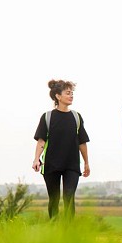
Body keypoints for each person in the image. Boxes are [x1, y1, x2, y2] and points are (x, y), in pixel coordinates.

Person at [32, 79, 90, 220]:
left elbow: (82, 142)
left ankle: (68, 232)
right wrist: (36, 159)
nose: (71, 96)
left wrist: (86, 162)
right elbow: (41, 140)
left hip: (72, 165)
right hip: (51, 164)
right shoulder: (47, 117)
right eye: (68, 93)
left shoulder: (76, 117)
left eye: (72, 93)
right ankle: (54, 228)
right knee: (54, 198)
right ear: (58, 96)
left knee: (69, 197)